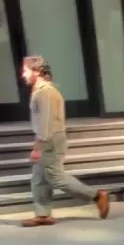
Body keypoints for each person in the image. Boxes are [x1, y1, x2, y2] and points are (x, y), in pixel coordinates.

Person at [19, 56, 110, 227]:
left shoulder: (46, 92)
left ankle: (97, 196)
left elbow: (46, 123)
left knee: (56, 178)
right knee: (39, 179)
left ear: (36, 71)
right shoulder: (40, 91)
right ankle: (43, 215)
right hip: (47, 137)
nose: (23, 74)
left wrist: (38, 147)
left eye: (25, 70)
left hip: (50, 139)